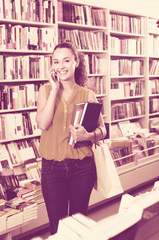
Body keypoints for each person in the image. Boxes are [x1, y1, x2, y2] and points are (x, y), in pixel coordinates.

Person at [36, 42, 106, 236]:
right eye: (56, 62)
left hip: (82, 168)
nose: (61, 66)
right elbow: (43, 123)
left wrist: (89, 136)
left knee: (78, 223)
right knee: (57, 227)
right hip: (52, 169)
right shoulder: (46, 91)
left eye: (66, 60)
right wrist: (54, 89)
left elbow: (103, 130)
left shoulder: (87, 94)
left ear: (76, 62)